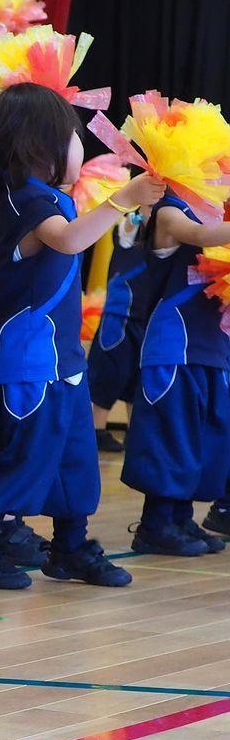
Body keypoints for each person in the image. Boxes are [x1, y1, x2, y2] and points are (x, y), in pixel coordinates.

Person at [0, 83, 163, 590]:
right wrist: (122, 199)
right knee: (23, 454)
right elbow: (68, 239)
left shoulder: (46, 195)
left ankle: (70, 547)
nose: (80, 145)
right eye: (71, 134)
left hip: (59, 356)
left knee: (74, 457)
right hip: (26, 357)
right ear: (39, 145)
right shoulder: (26, 199)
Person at [120, 192, 230, 555]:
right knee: (171, 435)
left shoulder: (219, 211)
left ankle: (180, 518)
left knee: (203, 438)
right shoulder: (170, 210)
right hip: (174, 345)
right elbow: (199, 235)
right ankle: (156, 524)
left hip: (213, 348)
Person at [87, 212, 148, 453]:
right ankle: (96, 428)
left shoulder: (165, 235)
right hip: (120, 316)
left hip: (145, 317)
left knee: (138, 378)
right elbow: (125, 230)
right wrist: (140, 215)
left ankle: (135, 432)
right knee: (109, 372)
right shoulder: (129, 226)